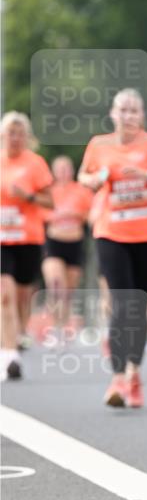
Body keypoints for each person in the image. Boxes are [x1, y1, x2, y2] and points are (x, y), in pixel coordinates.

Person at [78, 88, 147, 407]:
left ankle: (135, 373)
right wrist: (92, 181)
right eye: (122, 110)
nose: (128, 116)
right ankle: (118, 378)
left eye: (134, 110)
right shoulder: (99, 145)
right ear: (113, 114)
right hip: (110, 232)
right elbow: (84, 175)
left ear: (142, 116)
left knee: (138, 307)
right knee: (122, 303)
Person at [0, 112, 53, 380]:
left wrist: (28, 196)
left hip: (28, 239)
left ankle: (18, 333)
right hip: (2, 240)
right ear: (3, 135)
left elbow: (50, 202)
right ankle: (9, 354)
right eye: (11, 133)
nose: (15, 138)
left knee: (22, 296)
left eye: (20, 133)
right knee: (4, 295)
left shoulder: (35, 163)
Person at [42, 156, 93, 348]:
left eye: (66, 168)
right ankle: (54, 327)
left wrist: (75, 214)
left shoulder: (81, 191)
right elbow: (40, 213)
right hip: (54, 242)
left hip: (75, 243)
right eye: (60, 169)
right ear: (54, 172)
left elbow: (90, 215)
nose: (63, 172)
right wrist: (57, 215)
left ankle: (63, 327)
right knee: (56, 284)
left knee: (68, 290)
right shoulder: (49, 191)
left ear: (72, 171)